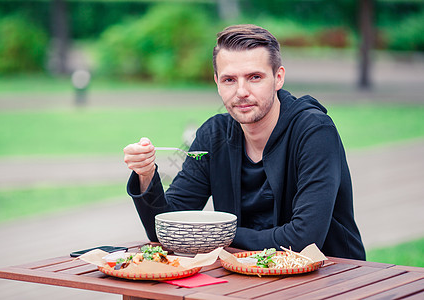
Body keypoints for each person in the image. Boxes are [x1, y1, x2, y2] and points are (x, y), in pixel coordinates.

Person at [123, 24, 366, 260]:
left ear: (278, 78)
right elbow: (167, 230)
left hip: (333, 277)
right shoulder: (213, 135)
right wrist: (146, 175)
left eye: (255, 77)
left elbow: (303, 239)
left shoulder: (314, 132)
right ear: (217, 83)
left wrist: (213, 233)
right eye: (229, 80)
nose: (241, 91)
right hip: (245, 274)